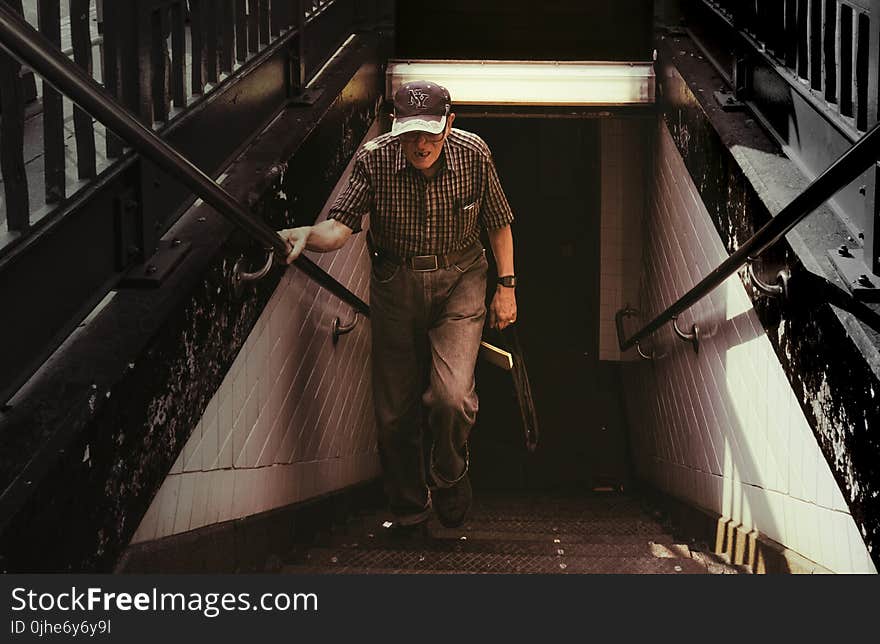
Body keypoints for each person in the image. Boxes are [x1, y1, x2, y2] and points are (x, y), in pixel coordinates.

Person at [278, 80, 517, 533]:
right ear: (395, 126)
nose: (420, 144)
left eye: (430, 132)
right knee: (393, 413)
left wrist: (507, 287)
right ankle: (409, 506)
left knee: (452, 398)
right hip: (394, 282)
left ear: (449, 123)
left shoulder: (474, 155)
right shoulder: (375, 159)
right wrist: (307, 235)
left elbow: (499, 223)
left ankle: (448, 475)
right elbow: (340, 227)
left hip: (462, 279)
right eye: (410, 133)